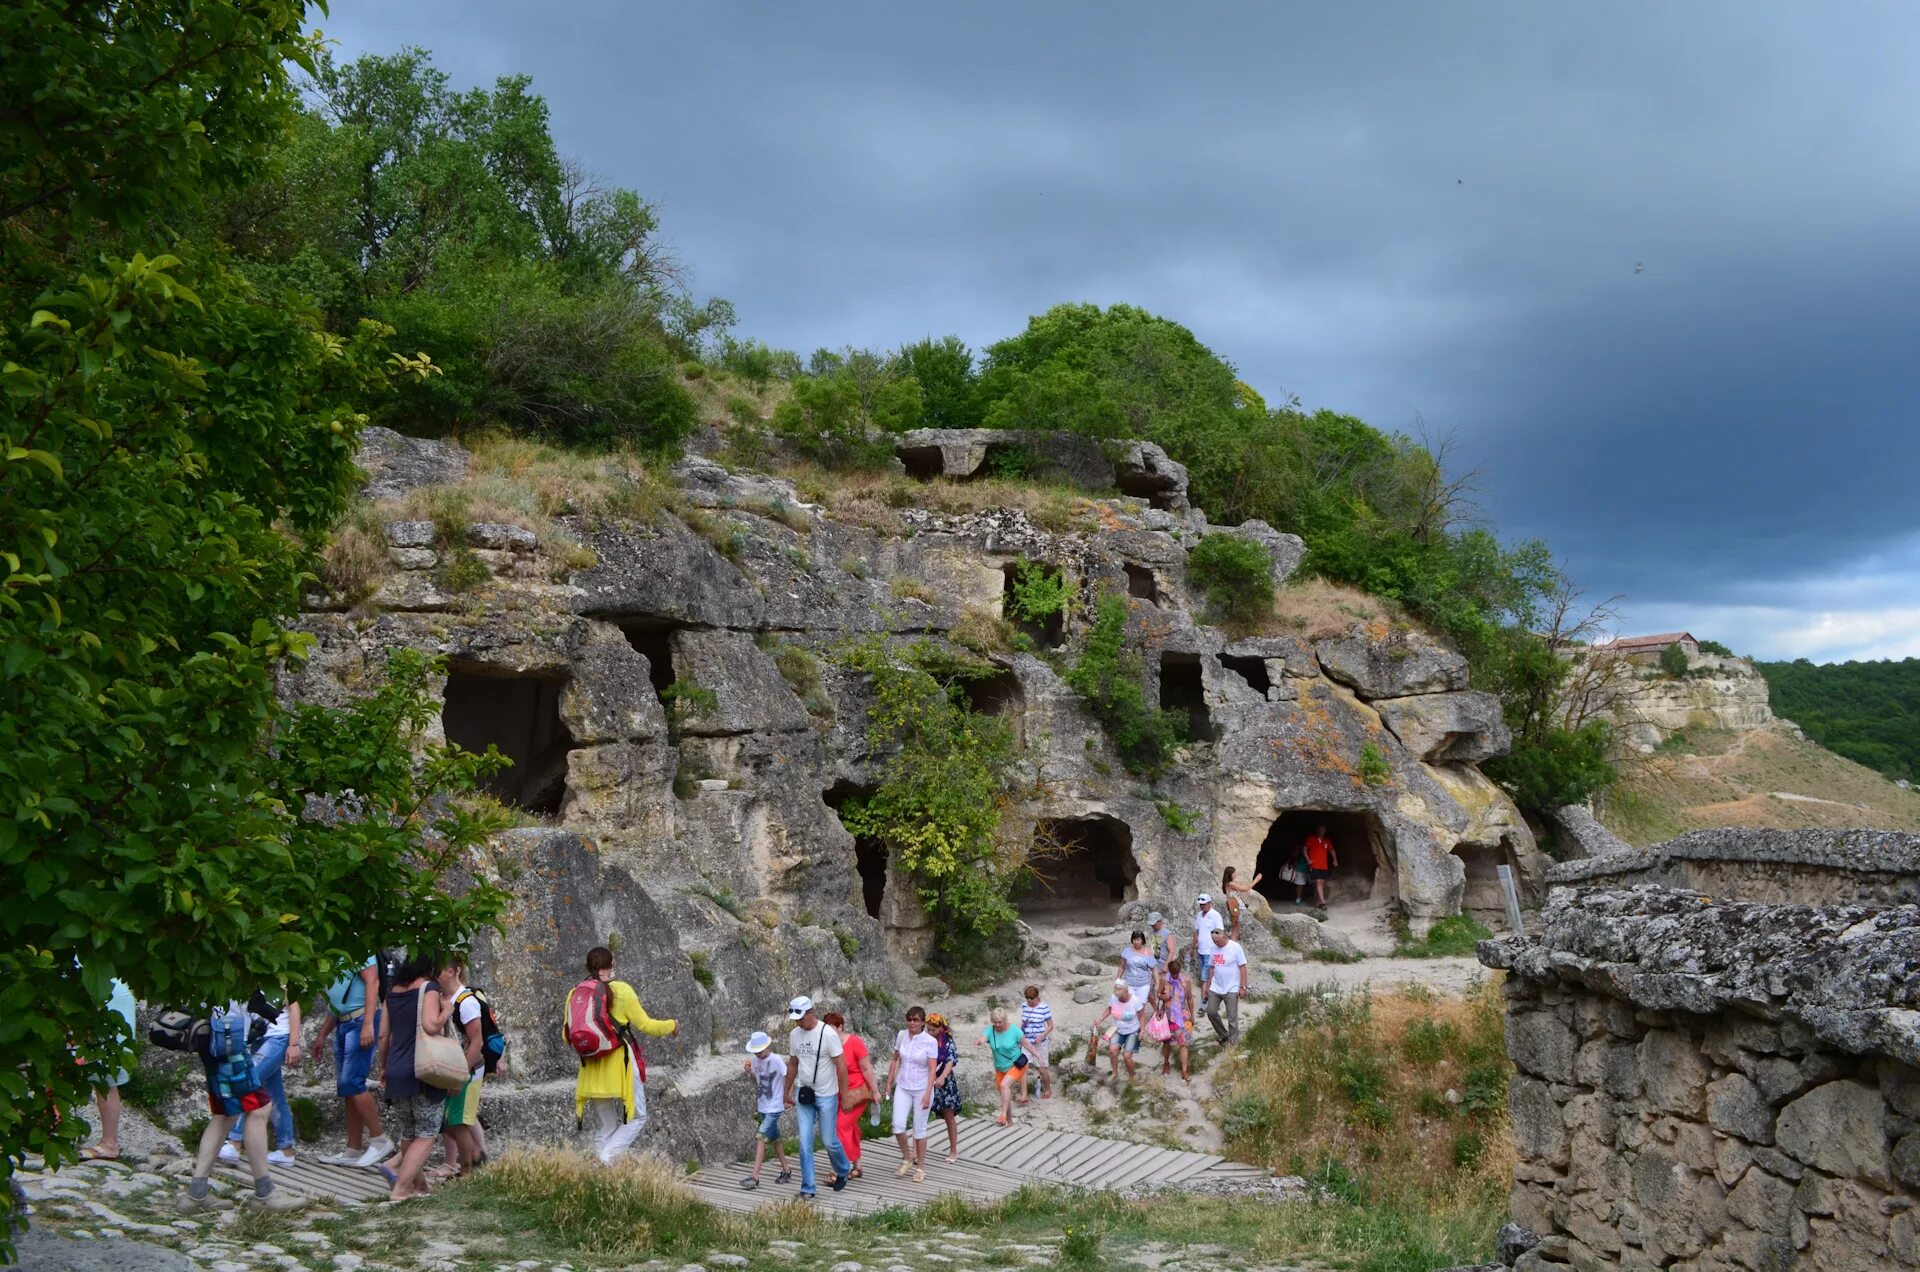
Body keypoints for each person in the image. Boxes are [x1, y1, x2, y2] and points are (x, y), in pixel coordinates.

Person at [179, 1002, 296, 1213]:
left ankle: (196, 1194)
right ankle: (265, 1193)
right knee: (259, 1109)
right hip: (230, 1040)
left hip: (214, 1038)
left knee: (225, 1115)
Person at [572, 946, 679, 1165]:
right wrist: (672, 1025)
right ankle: (605, 1159)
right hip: (620, 1063)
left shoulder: (577, 993)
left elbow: (569, 1035)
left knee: (607, 1124)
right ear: (610, 967)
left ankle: (598, 1172)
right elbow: (646, 1025)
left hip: (591, 1065)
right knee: (637, 1116)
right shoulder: (622, 990)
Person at [377, 951, 451, 1201]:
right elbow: (431, 1025)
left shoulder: (392, 991)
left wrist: (384, 1066)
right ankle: (400, 1189)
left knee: (409, 1133)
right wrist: (447, 1010)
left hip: (397, 1069)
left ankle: (419, 1187)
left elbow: (383, 1035)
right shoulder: (428, 988)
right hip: (422, 1069)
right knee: (427, 1133)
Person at [309, 955, 391, 1168]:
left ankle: (379, 1139)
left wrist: (367, 1025)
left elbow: (373, 982)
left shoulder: (358, 946)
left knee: (352, 1081)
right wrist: (322, 1034)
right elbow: (339, 1001)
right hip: (343, 1022)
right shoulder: (336, 950)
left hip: (360, 1019)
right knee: (347, 1088)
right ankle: (353, 1148)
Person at [220, 987, 299, 1167]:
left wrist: (294, 1043)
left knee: (246, 1080)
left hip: (278, 1037)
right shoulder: (250, 979)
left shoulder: (277, 979)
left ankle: (234, 1142)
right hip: (260, 1038)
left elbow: (294, 1006)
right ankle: (286, 1150)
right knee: (275, 1094)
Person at [782, 996, 852, 1199]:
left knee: (829, 1140)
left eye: (800, 1018)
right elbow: (793, 1063)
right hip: (804, 1093)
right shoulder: (795, 1034)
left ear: (810, 1013)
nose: (797, 1023)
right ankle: (808, 1188)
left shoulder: (828, 1034)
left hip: (827, 1094)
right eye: (795, 1019)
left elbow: (841, 1066)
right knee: (804, 1142)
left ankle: (843, 1167)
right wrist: (786, 1092)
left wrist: (844, 1096)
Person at [434, 960, 487, 1179]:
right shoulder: (444, 999)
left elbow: (477, 1042)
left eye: (439, 971)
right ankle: (472, 1161)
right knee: (449, 1122)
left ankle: (469, 1166)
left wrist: (461, 1075)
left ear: (452, 972)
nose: (435, 976)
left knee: (456, 1122)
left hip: (467, 1069)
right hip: (451, 1068)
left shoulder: (466, 1002)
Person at [82, 977, 137, 1161]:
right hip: (104, 997)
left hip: (107, 1001)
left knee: (104, 1075)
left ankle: (109, 1144)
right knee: (103, 1075)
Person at [884, 1006, 939, 1183]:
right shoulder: (901, 1035)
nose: (911, 1023)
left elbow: (932, 1070)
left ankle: (921, 1167)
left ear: (922, 1022)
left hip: (922, 1086)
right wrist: (889, 1081)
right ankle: (907, 1157)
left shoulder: (929, 1041)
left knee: (919, 1128)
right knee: (898, 1124)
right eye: (909, 1019)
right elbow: (895, 1059)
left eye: (915, 1020)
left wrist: (927, 1094)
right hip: (903, 1084)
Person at [823, 1010, 880, 1180]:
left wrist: (875, 1090)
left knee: (841, 1126)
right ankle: (858, 1166)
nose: (829, 1032)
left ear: (840, 1027)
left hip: (856, 1092)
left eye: (832, 1028)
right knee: (851, 1128)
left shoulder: (854, 1042)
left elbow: (866, 1068)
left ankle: (841, 1167)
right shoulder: (827, 1045)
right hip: (836, 1092)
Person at [739, 1032, 792, 1189]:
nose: (758, 1054)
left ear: (767, 1047)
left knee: (761, 1136)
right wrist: (749, 1072)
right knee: (775, 1139)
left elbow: (788, 1075)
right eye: (756, 1051)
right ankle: (786, 1169)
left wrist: (787, 1096)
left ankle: (755, 1176)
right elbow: (758, 1081)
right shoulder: (755, 1060)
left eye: (760, 1051)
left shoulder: (776, 1059)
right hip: (763, 1105)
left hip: (774, 1107)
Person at [975, 1007, 1033, 1126]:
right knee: (1004, 1094)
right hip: (1000, 1068)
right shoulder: (990, 1031)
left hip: (1016, 1065)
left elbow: (1026, 1043)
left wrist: (1038, 1056)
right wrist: (980, 1041)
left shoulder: (1014, 1030)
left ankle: (1002, 1115)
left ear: (1005, 1020)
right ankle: (1010, 1124)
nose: (997, 1024)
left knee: (1004, 1085)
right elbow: (984, 1037)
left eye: (999, 1022)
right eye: (995, 1022)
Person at [1086, 980, 1143, 1083]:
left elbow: (1142, 1016)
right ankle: (1114, 1073)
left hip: (1132, 1031)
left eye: (1121, 996)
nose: (1119, 998)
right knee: (1112, 1050)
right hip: (1117, 1029)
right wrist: (1100, 1019)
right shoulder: (1114, 998)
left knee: (1127, 1056)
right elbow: (1109, 1009)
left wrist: (1143, 1030)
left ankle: (1131, 1076)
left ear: (1126, 991)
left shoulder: (1135, 1001)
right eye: (1118, 997)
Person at [926, 1012, 962, 1163]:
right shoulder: (925, 1040)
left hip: (944, 1082)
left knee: (949, 1115)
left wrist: (942, 1077)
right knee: (921, 1114)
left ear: (941, 1027)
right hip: (926, 1080)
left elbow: (951, 1060)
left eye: (933, 1028)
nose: (930, 1030)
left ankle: (953, 1150)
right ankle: (916, 1151)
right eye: (929, 1028)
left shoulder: (947, 1041)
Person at [1202, 927, 1249, 1044]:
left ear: (1224, 937)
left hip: (1232, 987)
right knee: (1211, 1011)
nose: (1216, 943)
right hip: (1216, 986)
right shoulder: (1213, 948)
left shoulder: (1235, 947)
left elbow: (1243, 968)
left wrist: (1243, 987)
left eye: (1217, 941)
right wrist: (1207, 986)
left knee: (1232, 1018)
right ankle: (1224, 1035)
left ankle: (1233, 1042)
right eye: (1214, 941)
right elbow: (1212, 967)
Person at [1159, 955, 1195, 1081]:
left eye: (1176, 973)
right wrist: (1162, 997)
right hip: (1168, 1014)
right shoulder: (1164, 980)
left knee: (1183, 1042)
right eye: (1172, 973)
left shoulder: (1186, 981)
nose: (1174, 976)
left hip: (1183, 1014)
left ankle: (1184, 1071)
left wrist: (1192, 1015)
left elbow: (1189, 998)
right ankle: (1166, 1063)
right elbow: (1159, 993)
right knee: (1167, 1041)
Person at [1016, 985, 1053, 1103]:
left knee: (1042, 1068)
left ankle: (1047, 1089)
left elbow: (1051, 1026)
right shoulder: (1024, 1006)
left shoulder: (1044, 1007)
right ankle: (1024, 1095)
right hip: (1026, 1042)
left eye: (1032, 998)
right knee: (1022, 1067)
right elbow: (1024, 1022)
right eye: (1027, 998)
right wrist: (1019, 1034)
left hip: (1040, 1043)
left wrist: (1041, 1036)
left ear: (1037, 997)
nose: (1029, 1001)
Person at [1116, 930, 1157, 1010]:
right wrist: (1118, 979)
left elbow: (1154, 969)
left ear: (1142, 940)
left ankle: (1142, 1019)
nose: (1136, 942)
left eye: (1138, 939)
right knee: (1131, 1005)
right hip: (1129, 984)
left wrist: (1157, 983)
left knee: (1140, 1007)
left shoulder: (1147, 953)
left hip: (1143, 984)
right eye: (1134, 939)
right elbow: (1122, 967)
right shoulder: (1127, 951)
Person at [1221, 866, 1261, 941]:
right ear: (1230, 874)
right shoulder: (1230, 884)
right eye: (1234, 873)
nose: (1236, 874)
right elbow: (1245, 889)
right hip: (1236, 908)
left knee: (1236, 927)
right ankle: (1233, 944)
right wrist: (1256, 880)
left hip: (1234, 908)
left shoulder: (1226, 884)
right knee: (1236, 929)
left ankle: (1234, 943)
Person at [1145, 913, 1178, 1001]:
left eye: (1154, 924)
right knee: (1156, 990)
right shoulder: (1152, 933)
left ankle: (1173, 1010)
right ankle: (1160, 1011)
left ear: (1160, 922)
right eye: (1151, 924)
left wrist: (1166, 965)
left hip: (1164, 966)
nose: (1152, 926)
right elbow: (1153, 951)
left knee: (1166, 991)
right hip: (1155, 966)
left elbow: (1171, 951)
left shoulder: (1167, 933)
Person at [1304, 825, 1338, 908]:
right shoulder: (1311, 839)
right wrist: (1308, 859)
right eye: (1320, 829)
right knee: (1318, 882)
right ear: (1317, 830)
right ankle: (1323, 901)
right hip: (1314, 864)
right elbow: (1304, 849)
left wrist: (1335, 859)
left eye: (1324, 829)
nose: (1322, 831)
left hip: (1324, 865)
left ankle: (1318, 901)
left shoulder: (1326, 840)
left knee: (1320, 883)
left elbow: (1331, 850)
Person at [1193, 894, 1224, 971]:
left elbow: (1220, 932)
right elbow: (1197, 931)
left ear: (1209, 903)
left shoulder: (1216, 915)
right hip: (1201, 950)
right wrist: (1192, 947)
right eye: (1201, 904)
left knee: (1206, 976)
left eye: (1204, 904)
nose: (1202, 906)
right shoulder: (1199, 915)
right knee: (1204, 973)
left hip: (1211, 950)